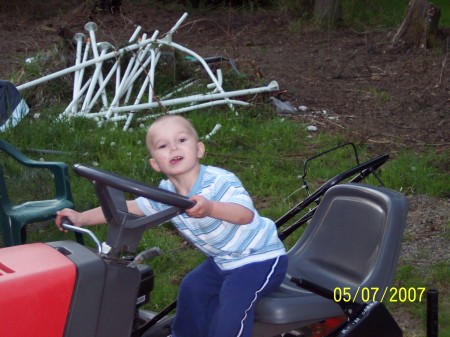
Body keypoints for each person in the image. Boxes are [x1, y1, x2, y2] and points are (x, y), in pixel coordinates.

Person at [56, 115, 287, 337]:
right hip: (224, 261)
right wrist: (81, 218)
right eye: (163, 145)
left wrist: (211, 208)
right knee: (192, 288)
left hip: (260, 258)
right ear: (155, 164)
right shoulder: (165, 194)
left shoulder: (219, 181)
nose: (174, 148)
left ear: (199, 149)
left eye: (181, 140)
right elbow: (127, 208)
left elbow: (245, 214)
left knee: (233, 302)